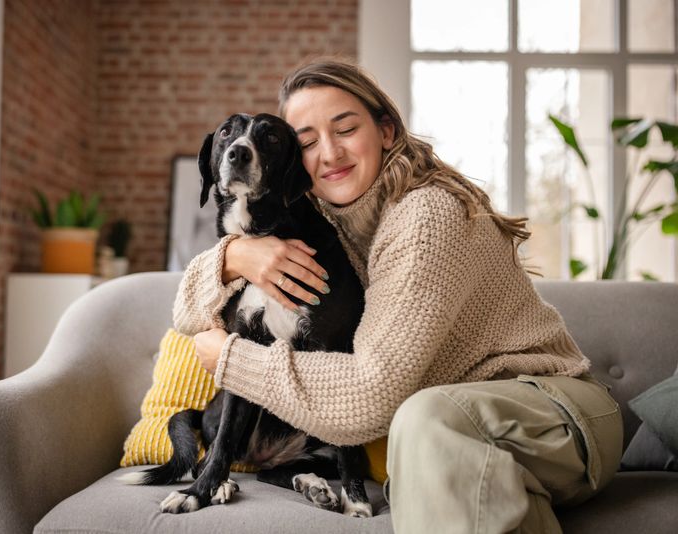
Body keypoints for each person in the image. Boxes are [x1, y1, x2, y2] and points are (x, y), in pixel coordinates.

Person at [173, 58, 623, 533]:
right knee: (431, 452)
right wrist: (233, 258)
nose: (328, 153)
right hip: (468, 442)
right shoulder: (326, 219)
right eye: (307, 142)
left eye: (345, 128)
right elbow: (184, 314)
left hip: (557, 417)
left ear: (386, 131)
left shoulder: (427, 216)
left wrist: (232, 359)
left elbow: (372, 395)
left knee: (422, 421)